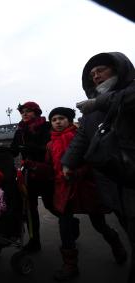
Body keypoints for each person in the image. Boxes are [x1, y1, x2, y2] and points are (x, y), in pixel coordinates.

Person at [61, 52, 135, 283]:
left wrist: (97, 103)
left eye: (101, 70)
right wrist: (67, 162)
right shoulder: (91, 110)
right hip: (112, 181)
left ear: (118, 69)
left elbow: (126, 99)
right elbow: (81, 138)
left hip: (132, 176)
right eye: (92, 74)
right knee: (128, 225)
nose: (96, 76)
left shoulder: (127, 91)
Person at [46, 107, 126, 281]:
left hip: (85, 187)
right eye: (54, 119)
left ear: (69, 120)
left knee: (99, 224)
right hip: (64, 190)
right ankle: (70, 265)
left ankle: (115, 242)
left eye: (61, 118)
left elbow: (93, 160)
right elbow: (51, 167)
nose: (58, 122)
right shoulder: (50, 143)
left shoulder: (80, 137)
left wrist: (78, 173)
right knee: (65, 226)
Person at [9, 101, 62, 253]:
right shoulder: (20, 130)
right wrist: (5, 150)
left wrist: (32, 148)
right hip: (28, 174)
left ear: (36, 112)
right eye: (22, 111)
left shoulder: (45, 127)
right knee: (30, 209)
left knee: (50, 204)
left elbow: (50, 147)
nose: (24, 114)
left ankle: (70, 222)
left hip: (44, 172)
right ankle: (34, 241)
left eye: (28, 111)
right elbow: (14, 151)